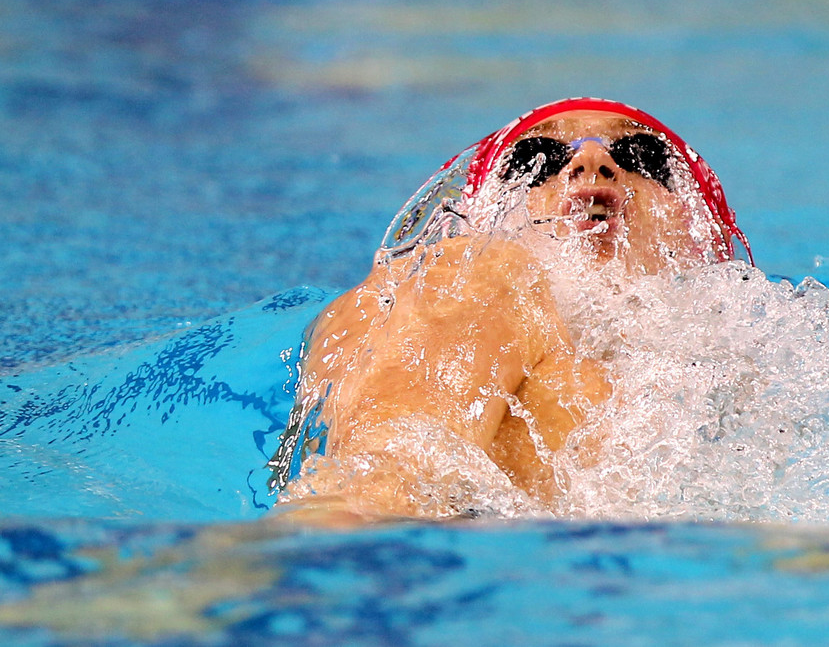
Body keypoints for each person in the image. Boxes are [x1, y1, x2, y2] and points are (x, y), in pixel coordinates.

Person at [268, 98, 752, 521]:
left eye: (642, 157)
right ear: (478, 217)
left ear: (702, 236)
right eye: (535, 160)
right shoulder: (429, 285)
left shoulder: (748, 365)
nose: (591, 161)